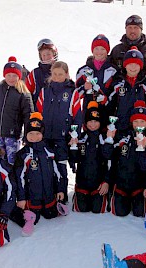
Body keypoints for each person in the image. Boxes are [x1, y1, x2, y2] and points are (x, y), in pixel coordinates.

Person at [10, 112, 67, 237]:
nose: (34, 137)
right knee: (34, 218)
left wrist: (60, 189)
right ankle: (23, 216)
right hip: (32, 197)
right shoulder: (23, 155)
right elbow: (19, 178)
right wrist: (21, 198)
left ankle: (56, 206)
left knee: (50, 215)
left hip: (48, 195)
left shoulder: (49, 151)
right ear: (26, 135)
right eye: (31, 134)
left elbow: (57, 172)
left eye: (37, 133)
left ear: (42, 134)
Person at [36, 61, 82, 202]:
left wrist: (75, 135)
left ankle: (61, 195)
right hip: (45, 136)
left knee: (61, 165)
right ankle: (48, 194)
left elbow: (77, 116)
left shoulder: (72, 92)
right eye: (54, 74)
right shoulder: (45, 91)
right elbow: (37, 113)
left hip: (62, 137)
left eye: (60, 74)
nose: (57, 77)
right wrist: (36, 132)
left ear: (66, 74)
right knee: (46, 165)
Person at [106, 101, 146, 217]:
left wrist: (143, 148)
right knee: (119, 212)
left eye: (142, 121)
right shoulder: (123, 139)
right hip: (122, 184)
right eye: (136, 121)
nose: (139, 124)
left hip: (139, 185)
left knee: (139, 213)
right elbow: (108, 155)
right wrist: (109, 139)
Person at [69, 101, 110, 213]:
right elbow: (75, 159)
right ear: (85, 123)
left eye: (96, 121)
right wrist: (73, 146)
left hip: (98, 183)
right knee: (82, 209)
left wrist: (106, 181)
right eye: (90, 121)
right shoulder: (81, 138)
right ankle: (78, 193)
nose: (93, 124)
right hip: (83, 181)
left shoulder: (104, 138)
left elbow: (109, 160)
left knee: (97, 209)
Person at [107, 47, 146, 136]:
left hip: (139, 128)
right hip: (120, 126)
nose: (133, 67)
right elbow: (110, 105)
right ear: (125, 65)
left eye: (136, 64)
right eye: (130, 64)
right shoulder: (118, 83)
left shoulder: (145, 84)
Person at [75, 34, 118, 127]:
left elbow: (117, 95)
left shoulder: (114, 71)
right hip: (89, 116)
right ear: (92, 50)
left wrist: (106, 99)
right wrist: (84, 88)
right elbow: (76, 95)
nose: (99, 52)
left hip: (108, 114)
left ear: (107, 51)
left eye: (102, 49)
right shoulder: (83, 70)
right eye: (96, 49)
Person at [26, 38, 58, 107]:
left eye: (49, 54)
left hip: (57, 111)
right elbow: (26, 94)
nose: (46, 57)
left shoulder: (61, 71)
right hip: (39, 111)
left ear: (54, 53)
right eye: (44, 55)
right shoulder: (34, 73)